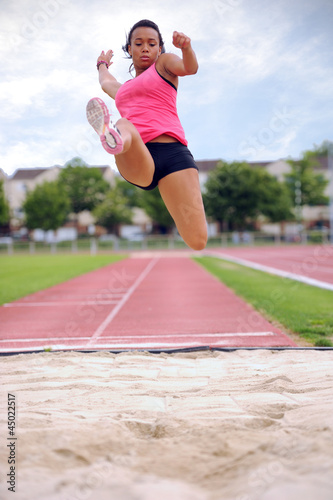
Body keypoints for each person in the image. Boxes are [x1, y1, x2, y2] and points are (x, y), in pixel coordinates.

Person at [86, 19, 207, 250]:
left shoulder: (164, 64)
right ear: (129, 49)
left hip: (174, 155)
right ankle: (114, 138)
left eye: (151, 44)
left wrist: (186, 48)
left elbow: (190, 68)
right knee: (125, 123)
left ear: (159, 48)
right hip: (138, 153)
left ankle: (116, 136)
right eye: (138, 43)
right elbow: (105, 83)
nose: (145, 48)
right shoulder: (123, 91)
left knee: (198, 241)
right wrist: (102, 64)